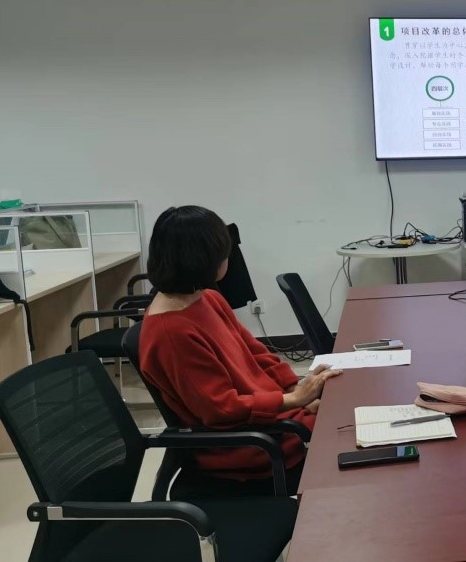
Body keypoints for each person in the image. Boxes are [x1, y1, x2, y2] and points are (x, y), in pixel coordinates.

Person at [138, 206, 340, 495]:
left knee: (353, 416)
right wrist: (292, 400)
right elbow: (221, 409)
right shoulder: (171, 333)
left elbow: (257, 354)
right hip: (253, 448)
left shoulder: (207, 298)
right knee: (358, 448)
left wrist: (296, 391)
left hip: (276, 424)